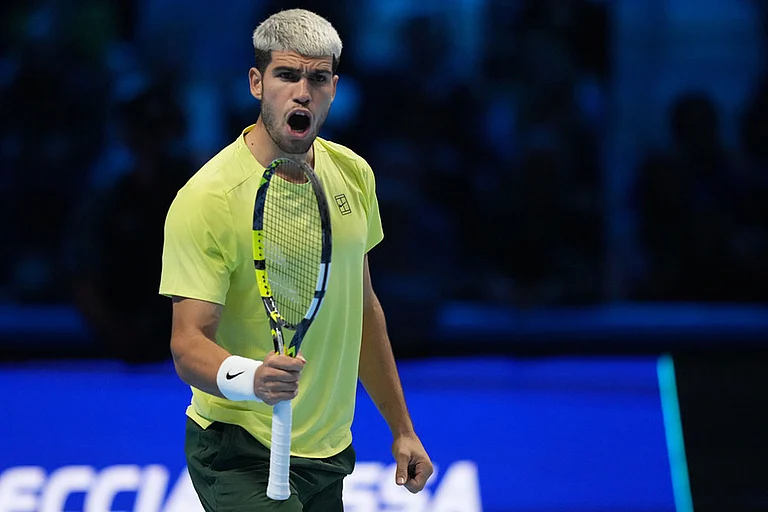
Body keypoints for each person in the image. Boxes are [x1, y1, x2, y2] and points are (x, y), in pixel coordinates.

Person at [159, 9, 433, 511]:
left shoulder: (354, 175)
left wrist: (402, 429)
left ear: (334, 87)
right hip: (238, 447)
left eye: (319, 78)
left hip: (326, 450)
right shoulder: (208, 198)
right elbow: (187, 343)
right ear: (257, 82)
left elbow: (363, 309)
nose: (303, 91)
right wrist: (250, 378)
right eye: (287, 75)